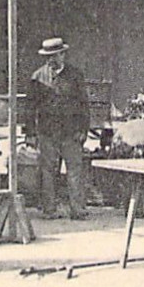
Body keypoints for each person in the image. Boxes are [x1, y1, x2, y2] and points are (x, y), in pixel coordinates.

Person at [28, 37, 89, 220]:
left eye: (55, 55)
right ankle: (49, 210)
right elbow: (30, 108)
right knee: (48, 171)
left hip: (71, 133)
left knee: (75, 171)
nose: (51, 60)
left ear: (63, 54)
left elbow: (83, 105)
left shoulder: (75, 75)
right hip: (47, 133)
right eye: (48, 57)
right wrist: (30, 133)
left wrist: (83, 130)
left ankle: (77, 209)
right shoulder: (37, 77)